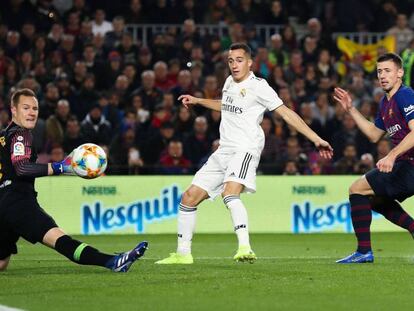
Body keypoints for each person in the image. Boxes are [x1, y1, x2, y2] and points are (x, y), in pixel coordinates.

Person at [156, 43, 333, 265]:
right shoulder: (229, 82)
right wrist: (199, 101)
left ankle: (245, 248)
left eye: (239, 60)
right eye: (231, 61)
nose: (234, 65)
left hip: (245, 148)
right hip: (224, 150)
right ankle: (183, 254)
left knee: (229, 194)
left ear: (250, 62)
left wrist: (316, 139)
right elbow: (226, 105)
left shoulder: (260, 86)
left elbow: (286, 113)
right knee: (188, 198)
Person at [0, 88, 148, 272]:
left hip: (4, 204)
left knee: (1, 263)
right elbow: (21, 168)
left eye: (35, 109)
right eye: (26, 108)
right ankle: (113, 261)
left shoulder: (3, 136)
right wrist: (60, 167)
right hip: (18, 202)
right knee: (61, 240)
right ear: (13, 110)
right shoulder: (21, 134)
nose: (31, 112)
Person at [334, 53, 414, 264]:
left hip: (410, 164)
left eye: (388, 71)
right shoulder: (385, 102)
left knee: (357, 189)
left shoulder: (405, 95)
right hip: (406, 164)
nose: (383, 76)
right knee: (374, 198)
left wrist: (392, 155)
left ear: (400, 73)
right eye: (379, 71)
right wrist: (351, 109)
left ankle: (364, 251)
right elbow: (373, 134)